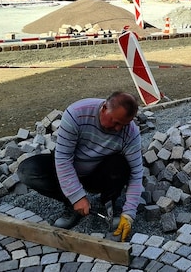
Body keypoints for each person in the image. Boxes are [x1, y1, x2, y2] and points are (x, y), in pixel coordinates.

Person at [17, 91, 143, 242]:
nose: (118, 129)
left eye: (123, 125)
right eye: (115, 122)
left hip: (97, 175)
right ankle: (71, 204)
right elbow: (63, 158)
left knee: (121, 165)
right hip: (70, 167)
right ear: (104, 108)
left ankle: (109, 204)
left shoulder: (130, 132)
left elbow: (136, 173)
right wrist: (76, 196)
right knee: (28, 171)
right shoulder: (77, 113)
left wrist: (129, 213)